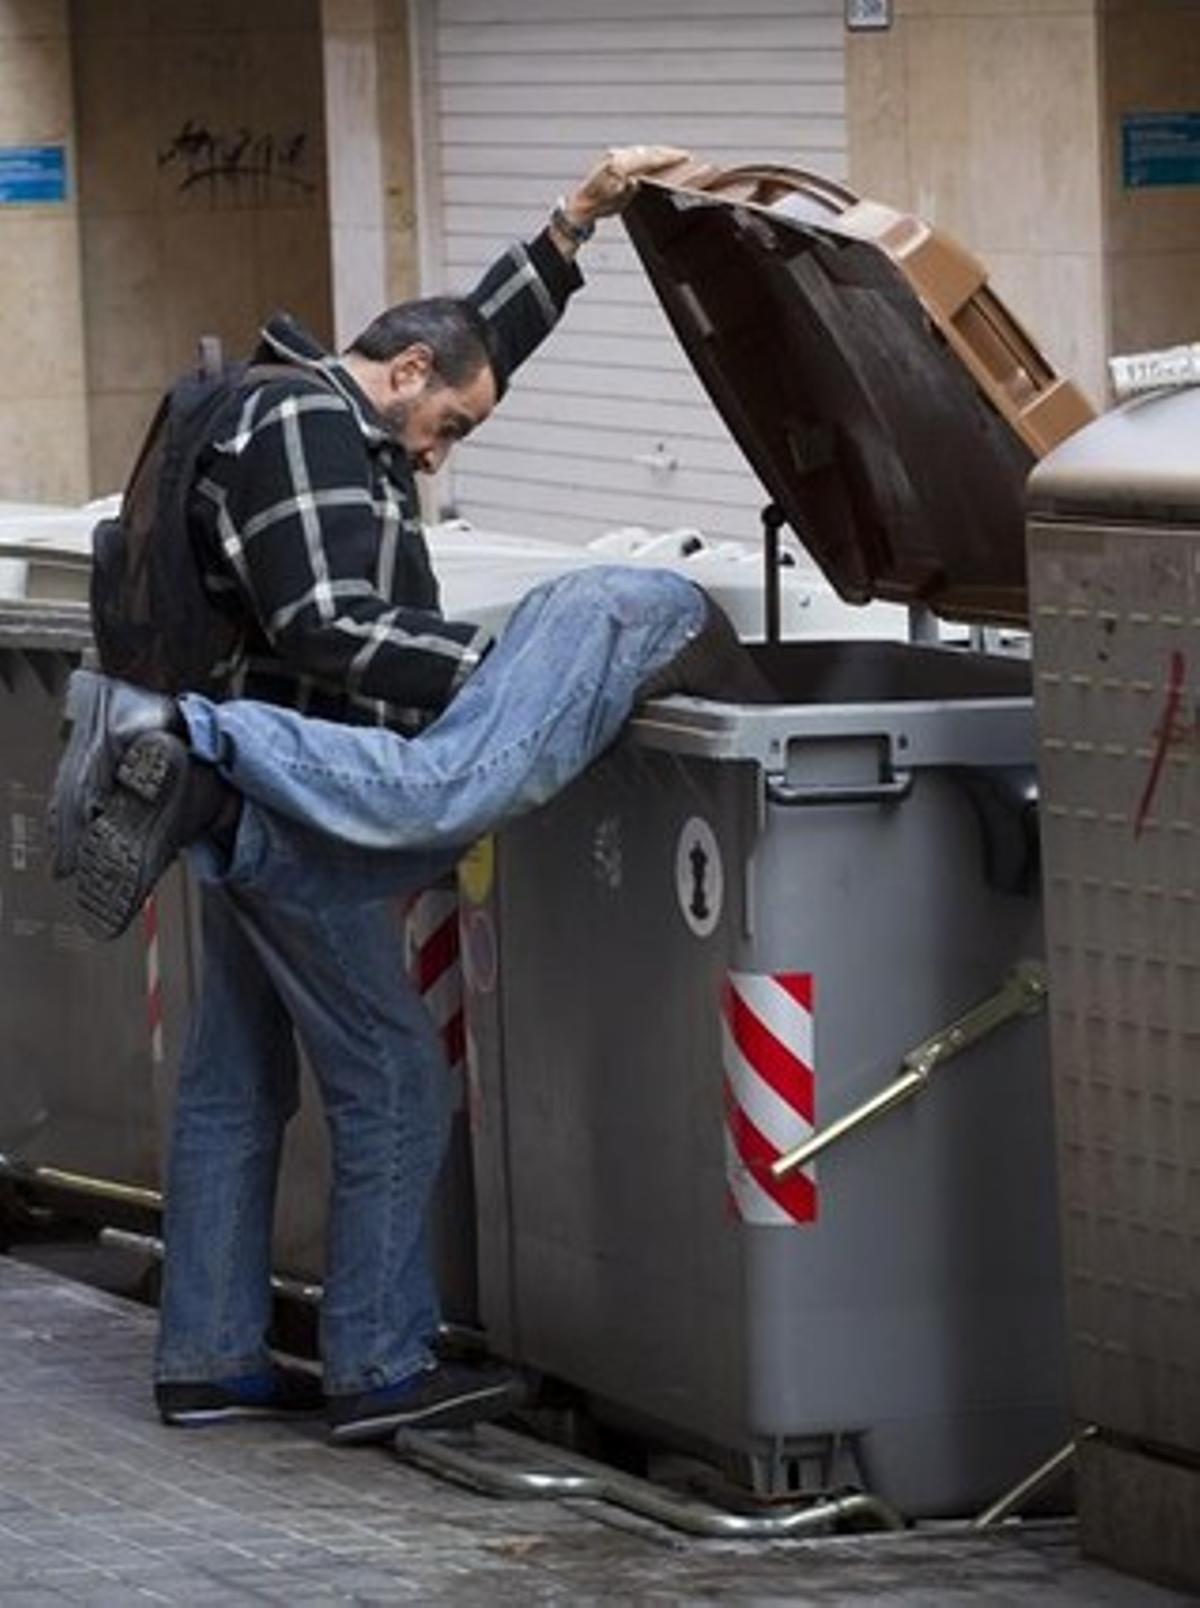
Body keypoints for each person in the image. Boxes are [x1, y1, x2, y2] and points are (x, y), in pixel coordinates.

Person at [53, 145, 701, 1446]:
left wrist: (574, 223)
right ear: (401, 377)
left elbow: (468, 343)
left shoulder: (314, 400)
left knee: (236, 1075)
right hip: (300, 791)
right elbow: (329, 623)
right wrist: (497, 671)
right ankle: (382, 1365)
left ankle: (211, 1356)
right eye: (449, 426)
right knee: (397, 1078)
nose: (443, 455)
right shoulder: (301, 425)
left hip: (246, 786)